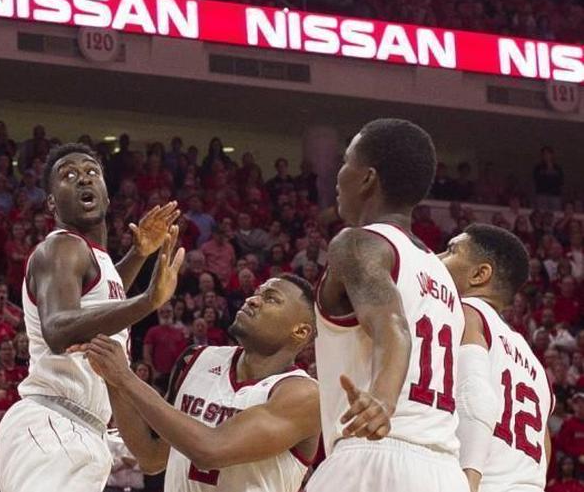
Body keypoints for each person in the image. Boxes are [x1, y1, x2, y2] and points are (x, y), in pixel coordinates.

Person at [0, 144, 183, 492]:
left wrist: (138, 255)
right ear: (52, 203)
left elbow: (99, 300)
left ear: (108, 196)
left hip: (79, 428)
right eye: (68, 175)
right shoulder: (61, 248)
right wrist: (147, 301)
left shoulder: (95, 258)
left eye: (91, 172)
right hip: (53, 423)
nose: (83, 178)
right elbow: (58, 329)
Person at [306, 118, 465, 492]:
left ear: (367, 178)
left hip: (374, 454)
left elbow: (392, 328)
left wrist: (382, 401)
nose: (339, 174)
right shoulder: (442, 276)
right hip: (444, 471)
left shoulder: (359, 243)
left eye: (346, 162)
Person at [81, 274, 319, 492]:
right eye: (256, 292)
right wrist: (112, 378)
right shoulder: (195, 359)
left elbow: (210, 450)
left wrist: (126, 377)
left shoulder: (303, 394)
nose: (253, 300)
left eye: (271, 299)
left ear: (299, 332)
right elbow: (151, 458)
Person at [438, 224, 552, 492]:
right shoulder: (534, 363)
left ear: (479, 274)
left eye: (451, 251)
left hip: (481, 482)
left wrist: (469, 482)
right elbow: (543, 447)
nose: (438, 258)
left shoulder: (466, 313)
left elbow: (474, 395)